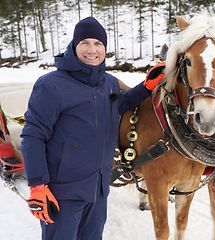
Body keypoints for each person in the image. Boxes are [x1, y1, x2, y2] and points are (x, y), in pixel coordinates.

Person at [20, 16, 164, 240]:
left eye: (98, 44)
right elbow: (32, 136)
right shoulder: (51, 85)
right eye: (85, 42)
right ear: (74, 46)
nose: (92, 49)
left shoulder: (108, 82)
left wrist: (146, 87)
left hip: (98, 190)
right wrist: (37, 185)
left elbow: (119, 105)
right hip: (62, 193)